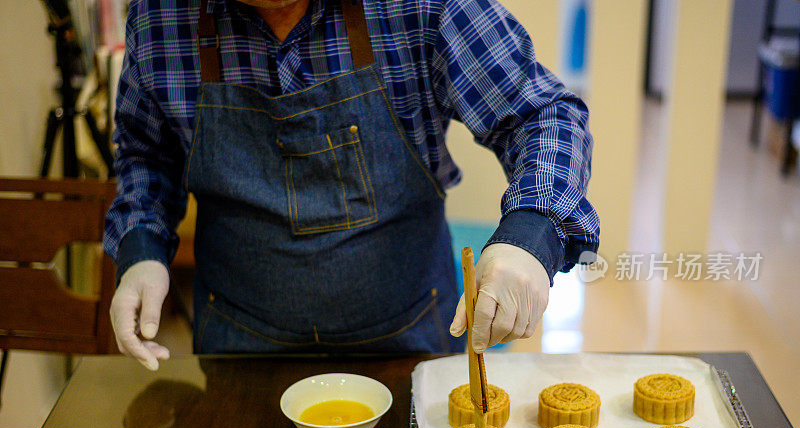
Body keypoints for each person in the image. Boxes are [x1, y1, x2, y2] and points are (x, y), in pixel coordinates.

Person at [105, 0, 599, 370]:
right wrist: (142, 249)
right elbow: (146, 153)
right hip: (241, 355)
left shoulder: (420, 5)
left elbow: (543, 114)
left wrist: (530, 235)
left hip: (409, 344)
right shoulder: (160, 16)